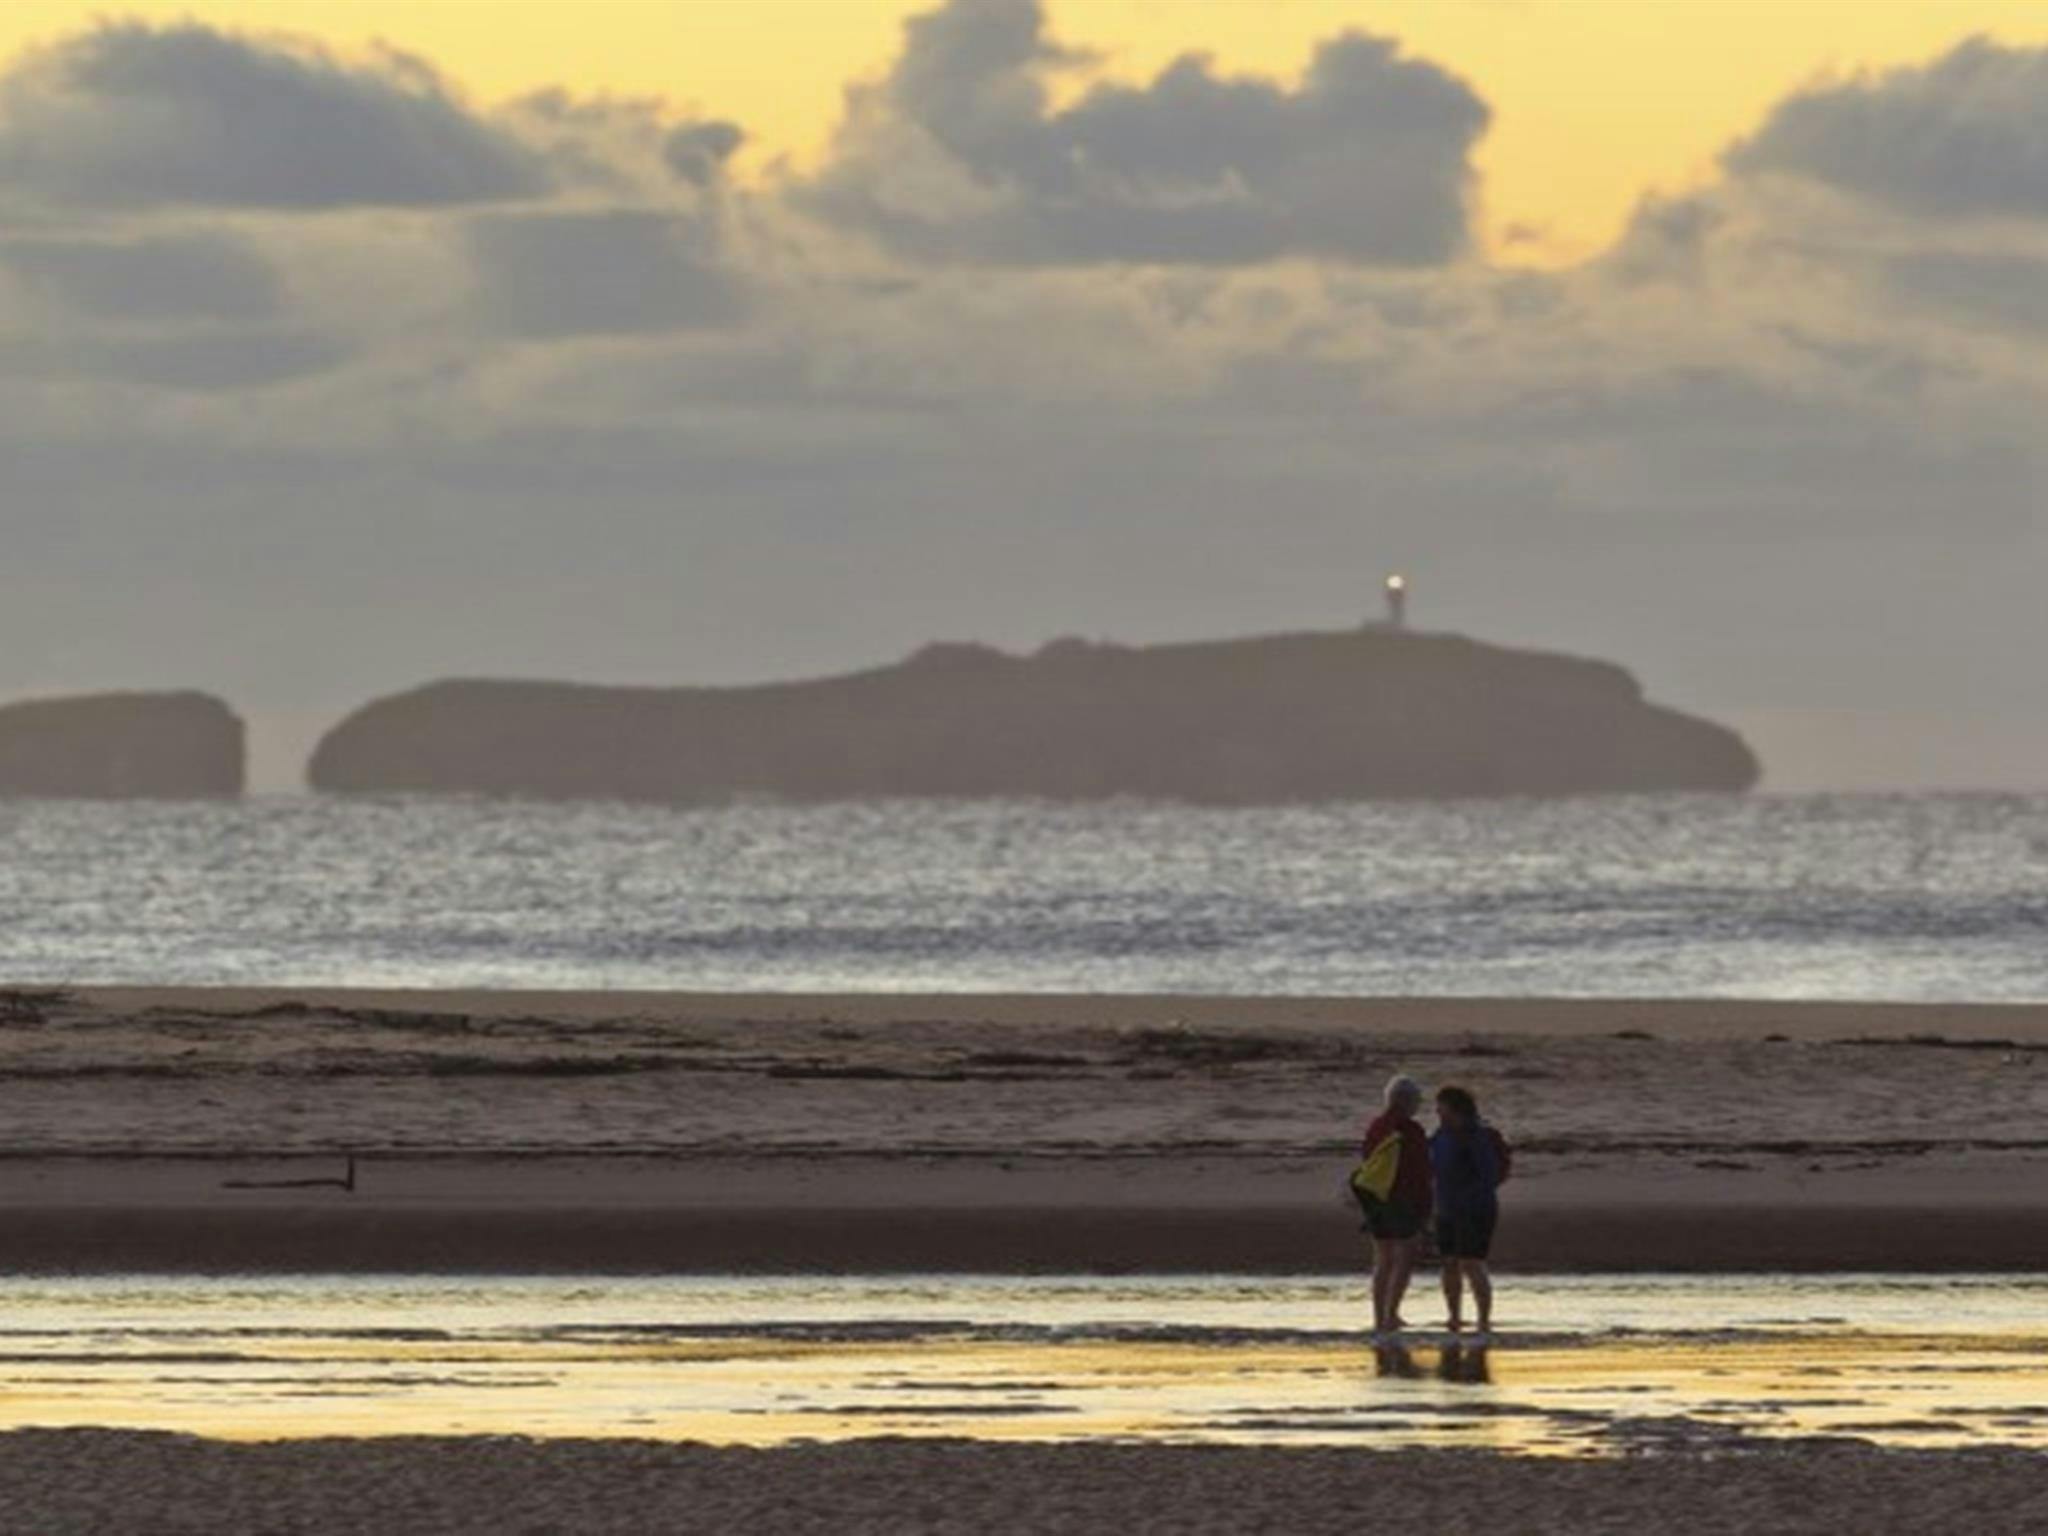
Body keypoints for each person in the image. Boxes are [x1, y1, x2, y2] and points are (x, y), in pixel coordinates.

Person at [1430, 1084, 1509, 1335]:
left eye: (1441, 1107)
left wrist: (1466, 1199)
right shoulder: (1439, 1135)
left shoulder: (1476, 1136)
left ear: (1455, 1109)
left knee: (1472, 1263)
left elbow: (1489, 1175)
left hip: (1476, 1210)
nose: (1437, 1112)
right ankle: (1454, 1317)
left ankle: (1483, 1320)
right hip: (1446, 1208)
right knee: (1449, 1263)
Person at [1360, 1074, 1433, 1335]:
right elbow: (1420, 1172)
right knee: (1404, 1256)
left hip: (1376, 1198)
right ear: (1407, 1102)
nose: (1418, 1106)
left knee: (1382, 1258)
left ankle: (1381, 1316)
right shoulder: (1411, 1131)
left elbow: (1368, 1161)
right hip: (1403, 1200)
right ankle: (1392, 1313)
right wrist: (1426, 1208)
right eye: (1417, 1101)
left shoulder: (1375, 1126)